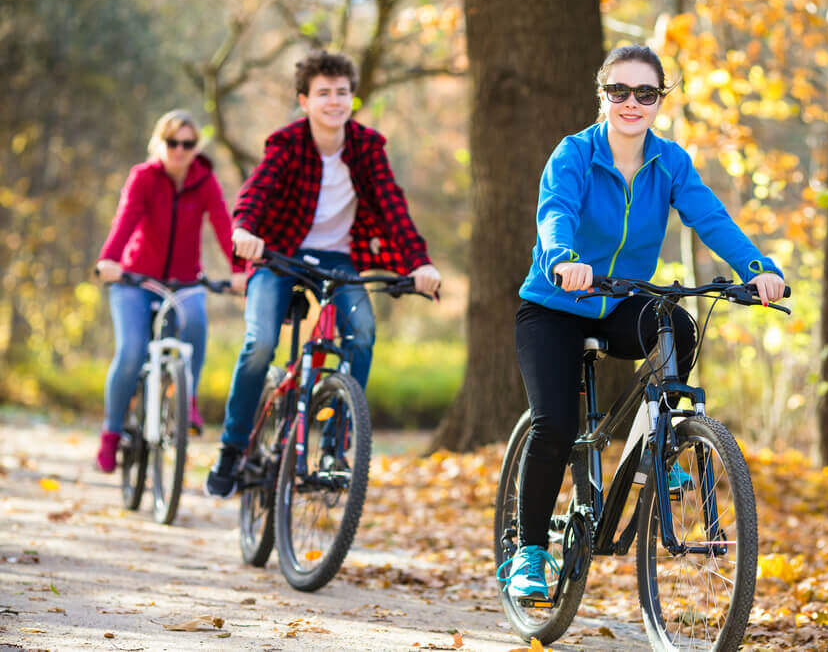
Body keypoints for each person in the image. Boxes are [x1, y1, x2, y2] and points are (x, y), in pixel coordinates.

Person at [507, 45, 786, 599]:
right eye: (619, 91)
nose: (631, 103)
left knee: (677, 325)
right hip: (554, 307)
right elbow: (555, 212)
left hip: (619, 302)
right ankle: (529, 554)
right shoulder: (574, 155)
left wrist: (757, 270)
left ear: (660, 100)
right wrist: (563, 259)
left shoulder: (671, 162)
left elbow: (712, 219)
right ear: (602, 96)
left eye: (646, 93)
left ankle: (660, 444)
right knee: (556, 426)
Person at [205, 50, 442, 498]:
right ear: (304, 100)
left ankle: (336, 447)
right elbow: (255, 194)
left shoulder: (367, 147)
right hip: (280, 254)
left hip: (339, 261)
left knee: (364, 332)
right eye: (323, 93)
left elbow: (393, 209)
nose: (334, 101)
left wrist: (419, 263)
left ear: (352, 98)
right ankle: (232, 449)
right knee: (259, 345)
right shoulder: (287, 143)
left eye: (342, 92)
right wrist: (244, 231)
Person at [95, 110, 242, 473]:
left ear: (196, 147)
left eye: (187, 143)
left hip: (185, 281)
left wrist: (240, 272)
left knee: (196, 320)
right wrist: (109, 261)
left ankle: (186, 398)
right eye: (172, 142)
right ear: (159, 143)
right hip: (136, 281)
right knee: (131, 352)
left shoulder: (204, 181)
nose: (179, 150)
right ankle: (112, 432)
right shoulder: (144, 177)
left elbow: (224, 226)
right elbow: (126, 219)